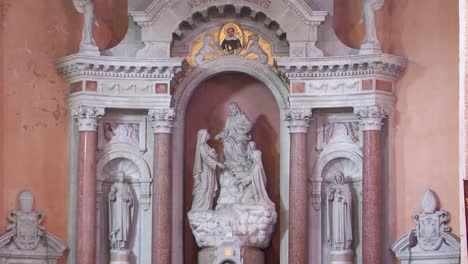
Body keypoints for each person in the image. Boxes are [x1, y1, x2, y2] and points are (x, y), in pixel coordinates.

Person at [192, 129, 225, 210]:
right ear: (203, 136)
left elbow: (210, 157)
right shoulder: (202, 147)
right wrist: (217, 164)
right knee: (204, 187)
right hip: (205, 170)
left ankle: (207, 208)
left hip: (210, 170)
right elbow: (206, 158)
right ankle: (198, 208)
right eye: (207, 133)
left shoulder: (206, 146)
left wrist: (214, 155)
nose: (209, 135)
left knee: (210, 187)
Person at [215, 103, 252, 170]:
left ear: (236, 108)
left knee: (239, 145)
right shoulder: (229, 119)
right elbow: (226, 130)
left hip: (241, 137)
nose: (232, 110)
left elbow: (248, 124)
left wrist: (245, 130)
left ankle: (243, 163)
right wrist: (220, 135)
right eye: (231, 109)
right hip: (231, 137)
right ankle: (234, 165)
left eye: (233, 109)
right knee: (227, 144)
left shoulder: (242, 116)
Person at [327, 172, 353, 251]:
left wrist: (342, 198)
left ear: (342, 178)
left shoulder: (346, 187)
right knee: (335, 225)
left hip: (343, 209)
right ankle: (335, 244)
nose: (338, 178)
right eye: (337, 177)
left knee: (342, 225)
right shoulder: (333, 187)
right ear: (335, 178)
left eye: (340, 177)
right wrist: (331, 192)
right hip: (335, 208)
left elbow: (349, 199)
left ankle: (344, 244)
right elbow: (329, 199)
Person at [108, 172, 134, 250]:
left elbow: (131, 198)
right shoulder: (114, 185)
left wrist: (128, 199)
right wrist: (113, 193)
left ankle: (123, 245)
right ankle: (116, 244)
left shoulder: (127, 186)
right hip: (116, 208)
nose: (122, 177)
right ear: (117, 177)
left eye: (123, 176)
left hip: (124, 207)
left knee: (124, 225)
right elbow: (111, 199)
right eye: (120, 176)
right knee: (117, 225)